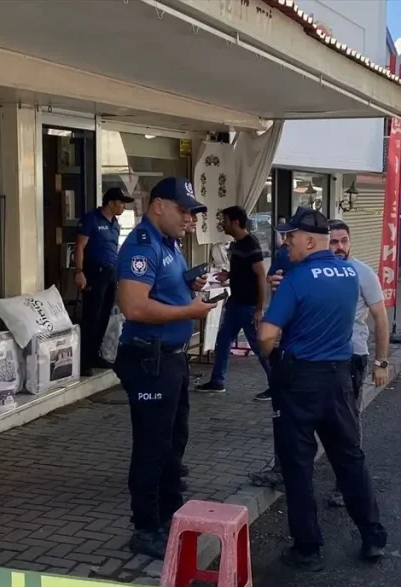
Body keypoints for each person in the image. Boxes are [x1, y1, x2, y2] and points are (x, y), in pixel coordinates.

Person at [256, 207, 388, 571]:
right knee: (349, 458)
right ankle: (373, 536)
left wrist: (271, 356)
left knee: (298, 467)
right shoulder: (350, 274)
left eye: (291, 236)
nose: (286, 242)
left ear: (310, 240)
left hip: (300, 381)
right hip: (339, 378)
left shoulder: (297, 279)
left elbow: (267, 334)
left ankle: (308, 547)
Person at [114, 177, 215, 559]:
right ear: (158, 206)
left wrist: (189, 284)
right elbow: (135, 307)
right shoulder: (142, 245)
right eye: (184, 211)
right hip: (148, 358)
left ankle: (172, 512)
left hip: (171, 357)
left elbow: (162, 289)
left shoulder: (169, 245)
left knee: (175, 439)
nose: (190, 219)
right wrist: (191, 309)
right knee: (152, 445)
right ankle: (145, 527)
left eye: (192, 213)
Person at [326, 219, 390, 507]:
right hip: (319, 358)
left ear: (350, 242)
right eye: (333, 241)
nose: (339, 247)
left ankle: (347, 483)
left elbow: (380, 319)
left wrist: (382, 362)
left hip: (352, 356)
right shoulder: (317, 273)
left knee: (348, 421)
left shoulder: (363, 273)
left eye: (343, 241)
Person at [195, 206, 271, 400]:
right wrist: (228, 275)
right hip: (235, 303)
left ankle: (277, 383)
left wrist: (259, 308)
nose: (222, 224)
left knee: (258, 346)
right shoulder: (236, 244)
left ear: (236, 222)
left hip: (248, 306)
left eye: (225, 220)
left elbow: (261, 276)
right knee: (222, 342)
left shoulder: (250, 244)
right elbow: (243, 271)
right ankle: (217, 381)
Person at [76, 187, 134, 375]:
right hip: (94, 272)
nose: (124, 207)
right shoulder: (91, 219)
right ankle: (83, 360)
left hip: (110, 273)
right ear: (110, 203)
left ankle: (94, 354)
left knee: (104, 316)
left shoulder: (115, 223)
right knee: (91, 316)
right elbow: (80, 246)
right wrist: (79, 271)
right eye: (121, 202)